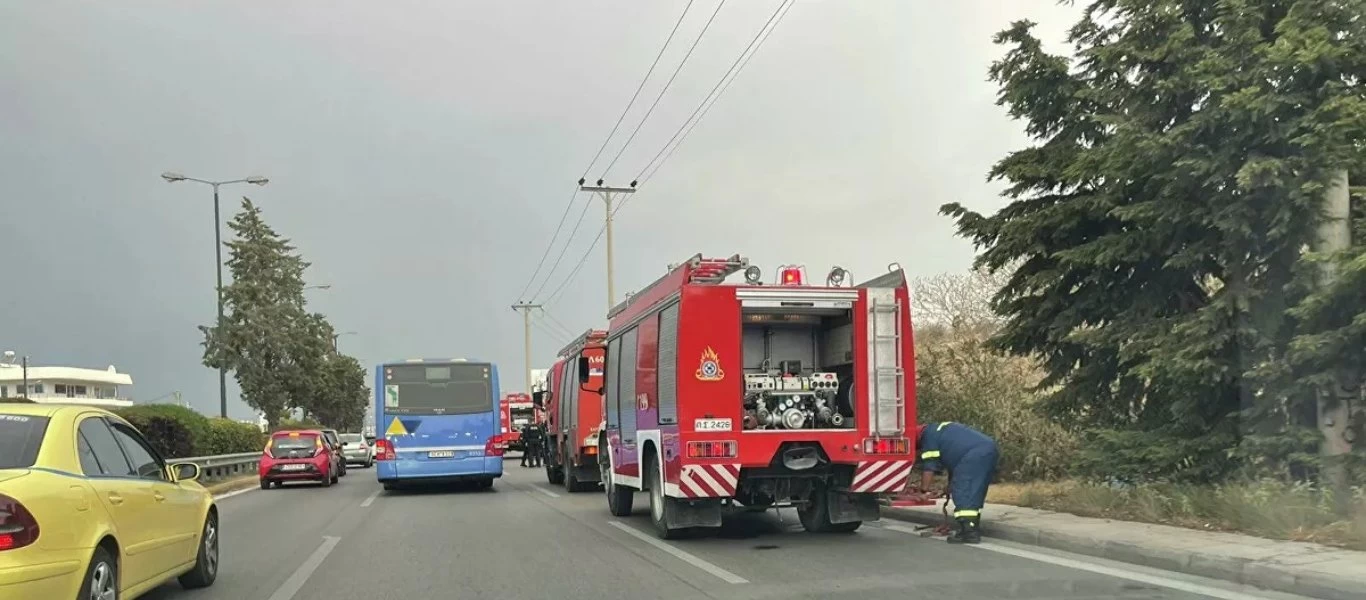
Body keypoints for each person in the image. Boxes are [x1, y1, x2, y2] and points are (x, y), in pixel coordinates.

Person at [914, 421, 999, 544]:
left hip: (973, 455)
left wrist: (923, 491)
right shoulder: (938, 430)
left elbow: (929, 467)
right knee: (974, 493)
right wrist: (949, 487)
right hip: (988, 449)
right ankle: (970, 528)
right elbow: (954, 463)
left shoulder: (927, 437)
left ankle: (969, 533)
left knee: (964, 492)